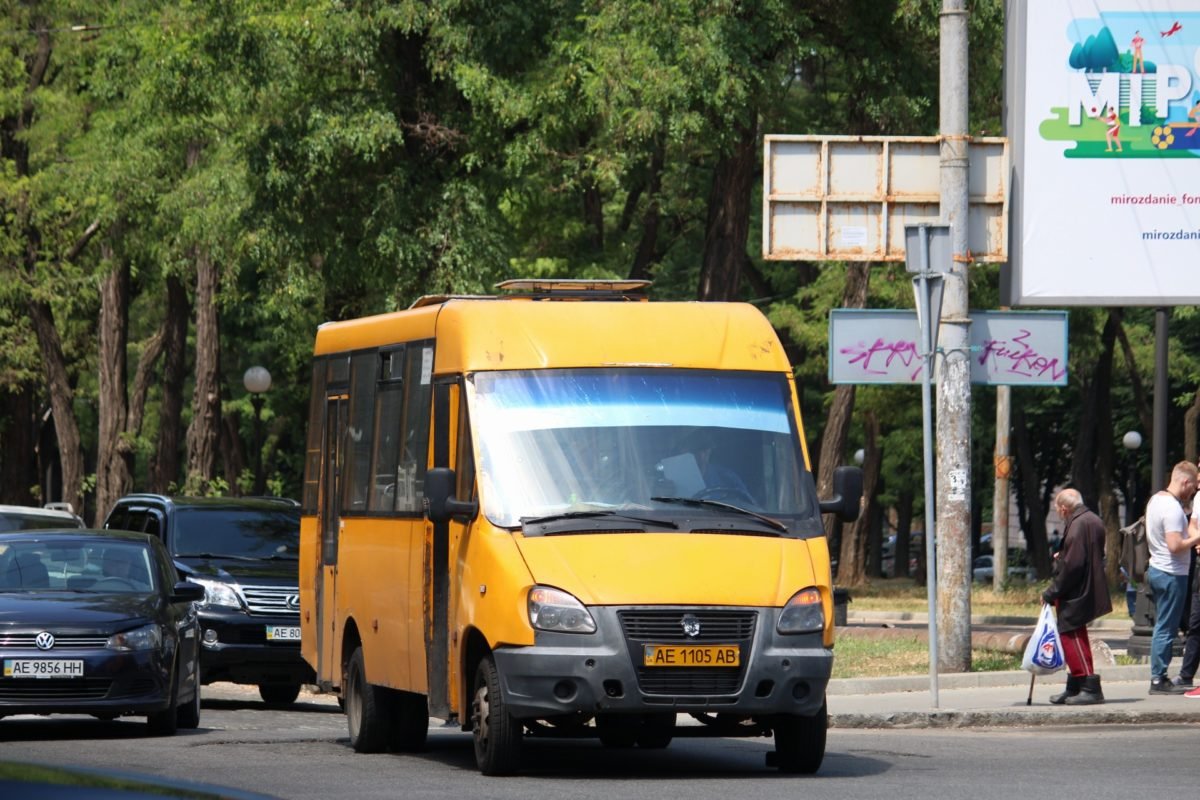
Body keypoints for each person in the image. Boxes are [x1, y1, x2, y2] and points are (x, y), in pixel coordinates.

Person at [1042, 489, 1112, 705]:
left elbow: (1074, 566)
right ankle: (1074, 687)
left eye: (1057, 509)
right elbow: (1085, 555)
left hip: (1076, 591)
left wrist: (1052, 592)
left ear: (1064, 508)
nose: (1058, 513)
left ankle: (1088, 686)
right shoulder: (1093, 519)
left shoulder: (1077, 524)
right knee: (1076, 636)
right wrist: (1064, 556)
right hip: (1087, 586)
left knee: (1071, 638)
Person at [1146, 461, 1200, 694]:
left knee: (1164, 625)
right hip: (1171, 573)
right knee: (1166, 628)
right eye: (1193, 485)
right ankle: (1159, 678)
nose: (1194, 491)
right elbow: (1175, 545)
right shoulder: (1172, 508)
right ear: (1184, 481)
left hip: (1158, 569)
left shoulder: (1156, 501)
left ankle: (1159, 676)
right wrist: (1196, 539)